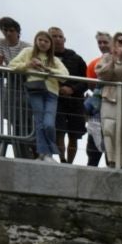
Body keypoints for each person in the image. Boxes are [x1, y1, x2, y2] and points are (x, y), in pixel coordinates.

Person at [6, 31, 66, 161]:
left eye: (46, 41)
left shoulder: (54, 59)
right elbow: (12, 65)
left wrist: (48, 70)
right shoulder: (28, 52)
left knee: (48, 123)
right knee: (39, 122)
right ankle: (45, 154)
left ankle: (48, 152)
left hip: (52, 93)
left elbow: (65, 76)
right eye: (40, 40)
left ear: (50, 44)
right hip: (35, 90)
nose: (43, 43)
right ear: (36, 41)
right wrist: (28, 65)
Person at [93, 32, 122, 170]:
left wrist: (121, 62)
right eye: (120, 41)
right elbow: (102, 75)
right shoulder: (106, 58)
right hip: (109, 96)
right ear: (114, 43)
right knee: (109, 129)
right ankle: (111, 162)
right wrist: (114, 60)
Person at [46, 28, 84, 164]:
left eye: (60, 36)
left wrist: (72, 89)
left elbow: (85, 81)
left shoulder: (77, 58)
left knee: (74, 134)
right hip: (56, 99)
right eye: (54, 36)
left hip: (76, 101)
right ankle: (62, 159)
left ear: (64, 39)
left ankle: (70, 162)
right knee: (60, 131)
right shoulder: (45, 58)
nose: (57, 39)